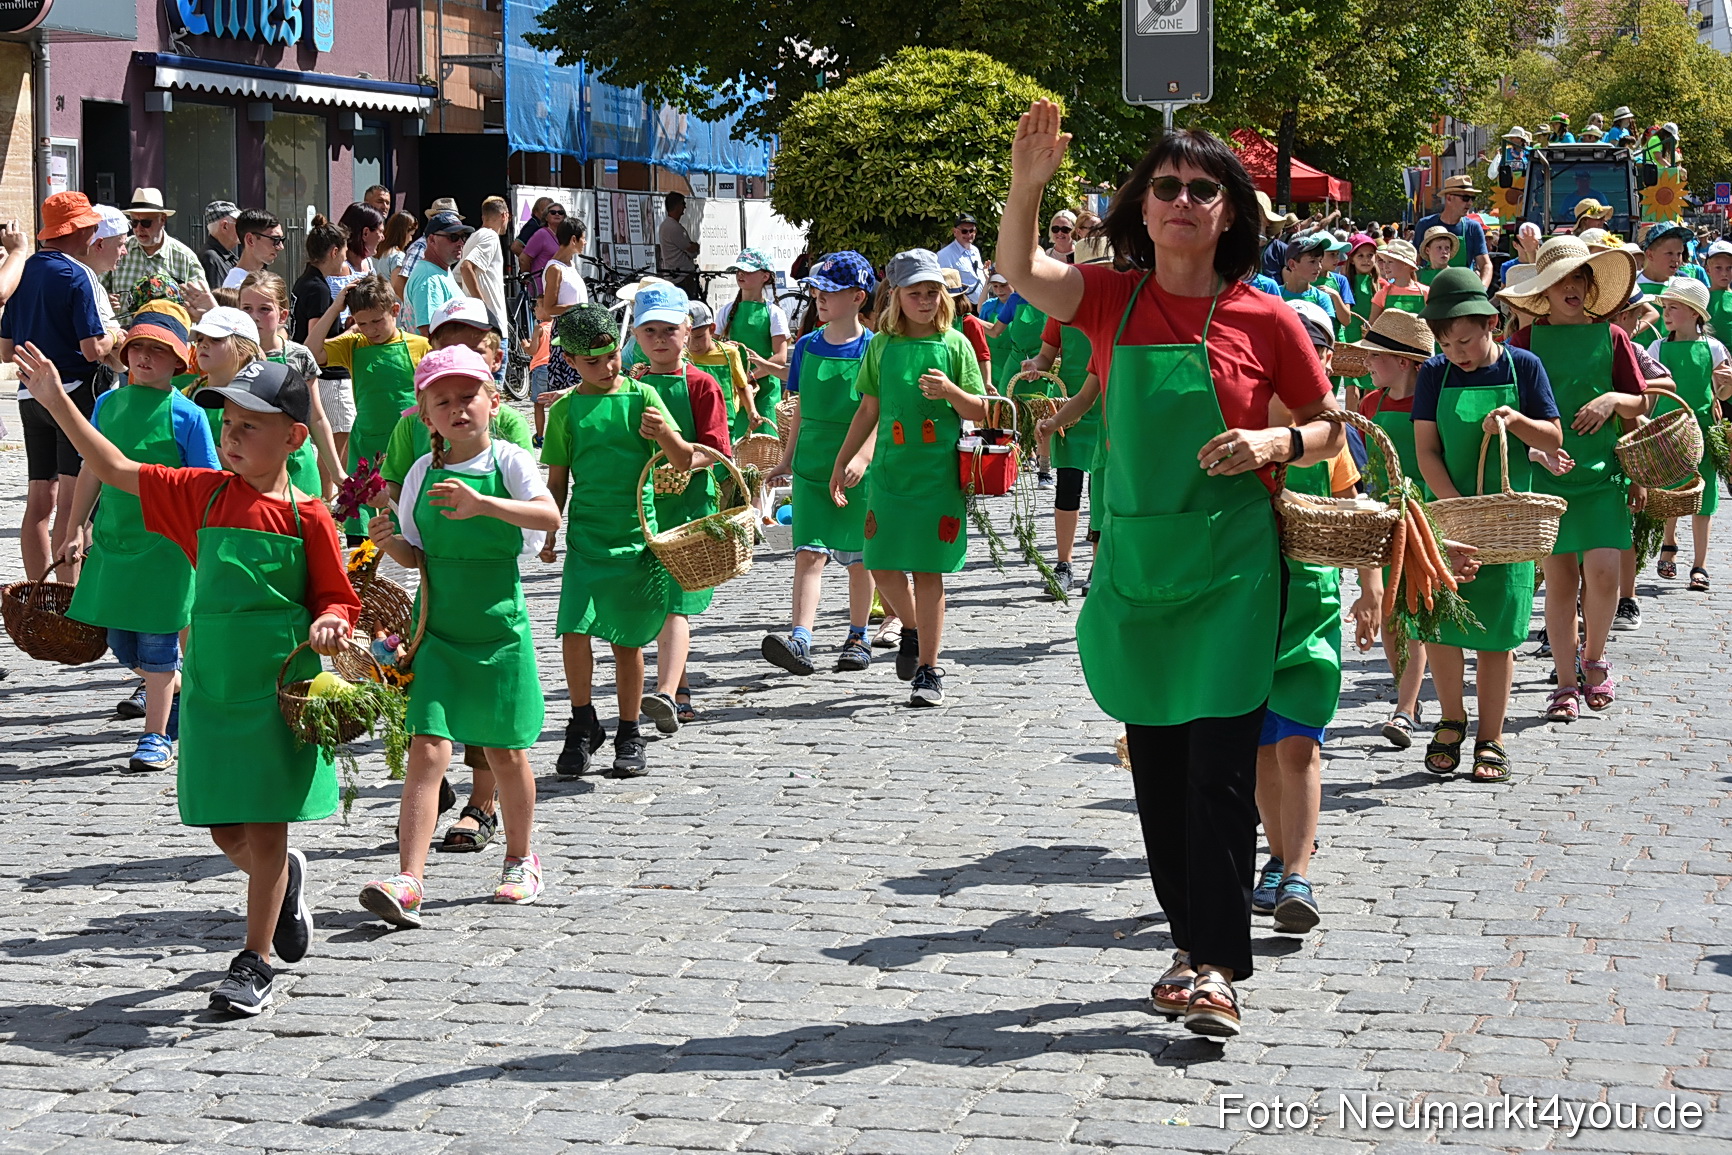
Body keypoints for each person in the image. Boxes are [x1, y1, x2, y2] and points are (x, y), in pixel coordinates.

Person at [1000, 102, 1345, 1040]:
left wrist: (1279, 434)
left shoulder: (1267, 317)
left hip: (1235, 574)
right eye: (1167, 188)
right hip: (1141, 566)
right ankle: (1189, 945)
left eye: (1203, 188)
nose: (1184, 200)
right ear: (1141, 211)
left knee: (1221, 775)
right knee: (1157, 775)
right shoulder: (1110, 299)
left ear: (1230, 212)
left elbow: (1328, 429)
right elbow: (1019, 269)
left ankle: (1215, 964)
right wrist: (1028, 187)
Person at [18, 343, 359, 1014]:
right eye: (227, 423)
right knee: (225, 831)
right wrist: (58, 401)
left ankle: (254, 960)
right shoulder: (199, 495)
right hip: (211, 693)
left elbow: (338, 596)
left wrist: (331, 622)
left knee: (264, 830)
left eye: (248, 426)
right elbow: (114, 466)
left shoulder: (307, 514)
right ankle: (282, 880)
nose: (231, 436)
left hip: (275, 695)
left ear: (292, 437)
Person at [359, 346, 559, 924]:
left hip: (499, 630)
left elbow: (548, 518)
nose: (457, 408)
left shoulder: (511, 460)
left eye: (468, 395)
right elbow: (414, 553)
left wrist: (483, 505)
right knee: (427, 749)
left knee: (505, 750)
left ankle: (521, 857)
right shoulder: (422, 470)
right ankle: (409, 880)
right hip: (438, 627)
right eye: (441, 401)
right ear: (426, 415)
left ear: (493, 402)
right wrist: (388, 539)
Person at [1254, 297, 1378, 937]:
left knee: (1299, 746)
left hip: (1312, 610)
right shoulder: (1243, 425)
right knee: (1260, 753)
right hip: (1244, 610)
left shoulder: (1332, 441)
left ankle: (1297, 873)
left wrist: (1371, 587)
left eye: (1322, 349)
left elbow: (1356, 513)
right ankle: (1275, 856)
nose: (1313, 360)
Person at [1413, 268, 1563, 779]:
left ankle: (1490, 736)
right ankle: (1451, 718)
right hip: (1450, 518)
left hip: (1509, 525)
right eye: (1446, 343)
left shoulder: (1526, 366)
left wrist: (1515, 420)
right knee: (1440, 622)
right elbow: (1427, 452)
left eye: (1464, 341)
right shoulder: (1434, 373)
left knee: (1498, 632)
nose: (1457, 352)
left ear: (1491, 325)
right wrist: (1458, 511)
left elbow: (1552, 440)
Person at [541, 304, 699, 779]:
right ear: (569, 360)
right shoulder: (567, 409)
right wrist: (550, 530)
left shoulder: (642, 394)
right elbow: (558, 481)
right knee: (573, 630)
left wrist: (665, 434)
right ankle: (583, 719)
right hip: (588, 538)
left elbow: (684, 460)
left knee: (627, 643)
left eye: (612, 355)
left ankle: (629, 730)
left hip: (636, 541)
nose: (608, 367)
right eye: (593, 362)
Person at [60, 303, 218, 771]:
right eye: (138, 348)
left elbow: (204, 483)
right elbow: (93, 466)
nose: (145, 358)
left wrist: (202, 546)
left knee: (157, 644)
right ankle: (173, 698)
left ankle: (155, 737)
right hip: (114, 543)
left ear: (179, 362)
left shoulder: (187, 415)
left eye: (158, 350)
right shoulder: (107, 403)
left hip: (166, 550)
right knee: (120, 640)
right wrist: (75, 528)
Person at [830, 247, 989, 710]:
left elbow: (981, 410)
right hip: (890, 475)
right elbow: (868, 408)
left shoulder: (954, 343)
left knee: (928, 571)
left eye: (932, 292)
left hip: (939, 477)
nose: (925, 301)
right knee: (879, 562)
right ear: (896, 297)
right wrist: (842, 461)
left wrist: (952, 391)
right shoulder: (881, 346)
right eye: (915, 293)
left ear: (944, 296)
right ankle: (913, 629)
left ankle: (929, 669)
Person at [1496, 237, 1645, 722]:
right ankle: (1564, 683)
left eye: (1580, 277)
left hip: (1604, 477)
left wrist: (1613, 402)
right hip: (1545, 480)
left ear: (1591, 285)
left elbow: (1640, 402)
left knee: (1604, 573)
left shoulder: (1613, 337)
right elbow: (1505, 408)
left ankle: (1594, 659)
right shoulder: (1523, 342)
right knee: (1560, 583)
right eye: (1562, 279)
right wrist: (1533, 450)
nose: (1572, 286)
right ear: (1544, 290)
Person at [762, 251, 878, 675]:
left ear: (858, 297)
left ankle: (858, 635)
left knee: (860, 557)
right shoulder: (806, 346)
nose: (819, 298)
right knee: (808, 554)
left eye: (830, 291)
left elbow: (879, 413)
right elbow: (800, 411)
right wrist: (784, 460)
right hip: (812, 465)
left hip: (855, 470)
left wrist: (862, 458)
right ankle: (800, 639)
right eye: (816, 289)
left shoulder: (874, 348)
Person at [627, 285, 734, 731]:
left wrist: (690, 464)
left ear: (687, 331)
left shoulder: (702, 384)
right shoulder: (632, 387)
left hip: (689, 505)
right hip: (644, 505)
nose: (659, 339)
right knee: (659, 602)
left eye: (669, 330)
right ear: (635, 335)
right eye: (649, 331)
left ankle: (668, 691)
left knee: (676, 602)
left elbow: (717, 448)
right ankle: (680, 688)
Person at [1, 193, 115, 586]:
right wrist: (115, 335)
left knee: (38, 501)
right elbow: (91, 349)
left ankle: (37, 597)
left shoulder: (24, 271)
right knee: (70, 502)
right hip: (71, 395)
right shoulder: (77, 275)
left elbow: (5, 350)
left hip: (29, 394)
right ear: (81, 230)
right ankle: (69, 599)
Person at [1349, 309, 1438, 749]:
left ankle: (1404, 708)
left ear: (1402, 361)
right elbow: (1365, 468)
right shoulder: (1370, 404)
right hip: (1385, 519)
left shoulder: (1433, 400)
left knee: (1417, 610)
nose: (1367, 364)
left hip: (1426, 516)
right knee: (1390, 616)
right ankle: (1409, 692)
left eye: (1375, 357)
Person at [306, 275, 431, 535]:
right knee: (364, 520)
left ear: (395, 311)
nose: (371, 329)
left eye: (377, 321)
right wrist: (334, 308)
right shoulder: (353, 344)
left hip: (410, 440)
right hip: (367, 442)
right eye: (362, 323)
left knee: (409, 514)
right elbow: (310, 352)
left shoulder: (420, 345)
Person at [1646, 277, 1730, 590]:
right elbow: (1651, 394)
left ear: (1695, 313)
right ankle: (1669, 542)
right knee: (1672, 492)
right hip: (1668, 432)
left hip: (1704, 431)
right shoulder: (1658, 347)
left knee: (1704, 498)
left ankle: (1701, 564)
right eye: (1665, 307)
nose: (1666, 313)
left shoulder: (1713, 347)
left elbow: (1720, 394)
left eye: (1674, 308)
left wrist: (1726, 382)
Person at [240, 271, 343, 499]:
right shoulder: (233, 356)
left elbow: (316, 417)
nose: (254, 316)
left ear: (283, 315)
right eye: (246, 308)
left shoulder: (300, 355)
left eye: (264, 309)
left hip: (298, 465)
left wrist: (337, 473)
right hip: (251, 467)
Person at [528, 217, 593, 442]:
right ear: (573, 239)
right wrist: (579, 307)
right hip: (565, 332)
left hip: (579, 329)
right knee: (569, 383)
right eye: (583, 238)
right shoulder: (554, 268)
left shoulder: (570, 265)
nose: (585, 243)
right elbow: (549, 307)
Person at [104, 188, 207, 324]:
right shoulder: (119, 250)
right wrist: (106, 301)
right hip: (125, 337)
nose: (139, 228)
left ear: (162, 219)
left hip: (168, 337)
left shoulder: (185, 258)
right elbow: (97, 291)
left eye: (146, 223)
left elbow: (200, 307)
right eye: (134, 222)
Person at [717, 248, 791, 437]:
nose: (741, 274)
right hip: (734, 391)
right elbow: (712, 348)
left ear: (765, 276)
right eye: (738, 270)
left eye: (748, 270)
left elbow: (780, 358)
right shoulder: (726, 312)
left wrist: (751, 376)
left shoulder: (774, 313)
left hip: (765, 392)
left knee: (765, 445)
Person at [685, 300, 759, 434]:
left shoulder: (729, 354)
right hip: (693, 423)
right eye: (687, 338)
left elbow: (742, 387)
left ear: (712, 329)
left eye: (699, 337)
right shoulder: (683, 357)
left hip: (725, 424)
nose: (693, 344)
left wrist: (752, 411)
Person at [1414, 175, 1492, 288]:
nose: (1470, 203)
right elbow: (1416, 262)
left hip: (1462, 289)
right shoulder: (1424, 224)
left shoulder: (1473, 228)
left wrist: (1482, 289)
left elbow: (1485, 264)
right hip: (1430, 291)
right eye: (1465, 198)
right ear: (1449, 198)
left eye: (1472, 198)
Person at [403, 211, 471, 336]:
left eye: (463, 237)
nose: (461, 243)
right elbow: (430, 334)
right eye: (453, 237)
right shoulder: (429, 278)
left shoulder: (439, 270)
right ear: (432, 240)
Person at [459, 196, 512, 347]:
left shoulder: (472, 238)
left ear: (483, 217)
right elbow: (465, 267)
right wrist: (481, 305)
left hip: (475, 326)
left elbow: (458, 275)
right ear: (504, 216)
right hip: (491, 327)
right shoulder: (490, 236)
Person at [936, 212, 988, 302]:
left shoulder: (975, 250)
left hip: (983, 305)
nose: (968, 235)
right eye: (964, 231)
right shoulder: (944, 255)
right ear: (955, 232)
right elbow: (946, 287)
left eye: (971, 231)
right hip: (964, 308)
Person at [1370, 240, 1427, 320]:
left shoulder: (1426, 292)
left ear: (1406, 264)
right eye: (1384, 261)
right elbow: (1372, 328)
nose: (1385, 266)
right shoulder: (1382, 294)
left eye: (1390, 262)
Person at [658, 191, 700, 296]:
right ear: (677, 206)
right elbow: (691, 250)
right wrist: (695, 246)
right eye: (683, 204)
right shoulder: (674, 228)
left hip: (675, 275)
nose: (684, 208)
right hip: (682, 277)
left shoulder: (665, 226)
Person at [520, 202, 568, 293]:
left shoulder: (564, 236)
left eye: (560, 212)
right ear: (546, 217)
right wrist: (529, 279)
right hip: (542, 287)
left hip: (560, 286)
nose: (557, 214)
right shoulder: (541, 234)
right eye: (553, 212)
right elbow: (523, 259)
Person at [338, 201, 386, 276]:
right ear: (365, 233)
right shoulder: (341, 269)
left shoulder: (367, 262)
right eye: (380, 231)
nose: (383, 238)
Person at [199, 201, 241, 287]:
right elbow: (220, 297)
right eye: (239, 224)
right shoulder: (211, 258)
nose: (243, 228)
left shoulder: (227, 256)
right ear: (224, 226)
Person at [374, 211, 418, 286]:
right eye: (411, 235)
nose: (410, 239)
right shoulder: (398, 256)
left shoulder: (384, 252)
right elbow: (398, 288)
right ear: (402, 233)